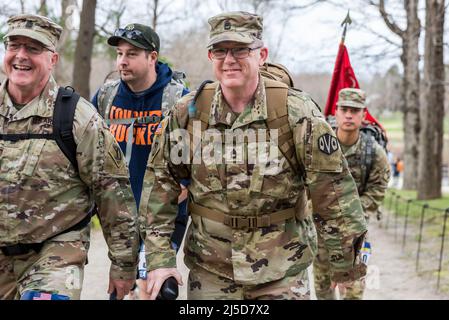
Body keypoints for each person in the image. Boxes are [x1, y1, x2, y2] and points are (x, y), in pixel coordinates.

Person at [139, 11, 367, 300]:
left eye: (241, 49)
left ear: (262, 55)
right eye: (220, 50)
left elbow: (334, 193)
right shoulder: (189, 113)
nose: (229, 59)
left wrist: (345, 265)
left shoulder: (296, 114)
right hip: (210, 272)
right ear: (210, 57)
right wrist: (159, 260)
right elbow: (160, 186)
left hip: (282, 271)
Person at [0, 14, 139, 300]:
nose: (21, 56)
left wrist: (124, 266)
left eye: (33, 48)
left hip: (56, 250)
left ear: (52, 59)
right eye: (14, 45)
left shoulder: (77, 117)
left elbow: (113, 194)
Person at [91, 23, 189, 300]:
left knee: (154, 290)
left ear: (152, 57)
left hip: (163, 216)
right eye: (120, 53)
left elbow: (189, 170)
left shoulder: (177, 99)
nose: (122, 61)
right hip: (118, 216)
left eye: (132, 53)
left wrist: (180, 191)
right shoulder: (106, 97)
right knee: (121, 291)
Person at [313, 88, 390, 300]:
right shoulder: (320, 148)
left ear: (363, 115)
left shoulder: (373, 152)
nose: (349, 115)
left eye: (354, 111)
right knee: (323, 292)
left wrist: (347, 216)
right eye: (344, 109)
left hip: (356, 235)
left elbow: (376, 192)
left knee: (354, 294)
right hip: (322, 234)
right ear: (335, 112)